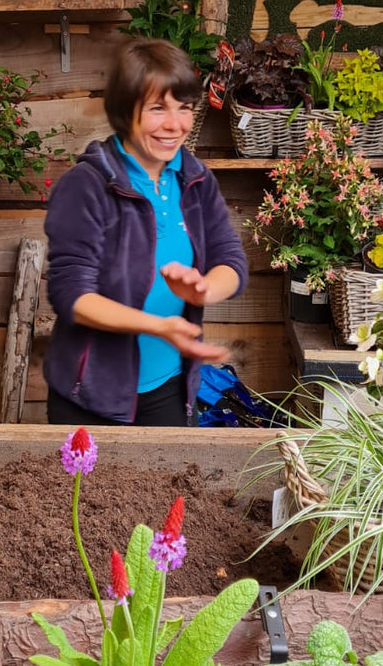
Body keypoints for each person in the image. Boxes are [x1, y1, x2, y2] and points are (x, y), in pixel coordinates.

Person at [43, 38, 249, 426]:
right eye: (158, 109)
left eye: (184, 108)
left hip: (169, 390)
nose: (175, 124)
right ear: (125, 112)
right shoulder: (87, 185)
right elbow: (71, 295)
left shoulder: (194, 179)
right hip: (90, 398)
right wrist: (158, 326)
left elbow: (231, 261)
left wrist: (204, 288)